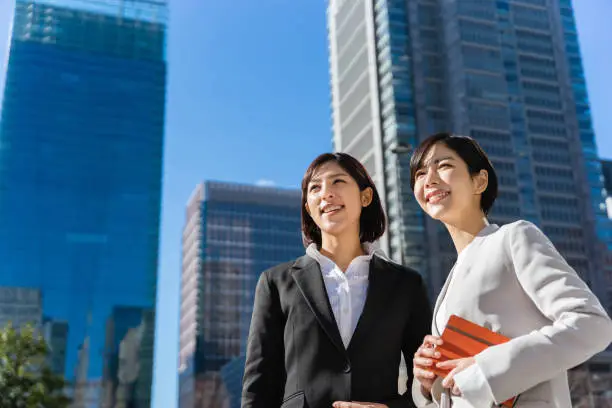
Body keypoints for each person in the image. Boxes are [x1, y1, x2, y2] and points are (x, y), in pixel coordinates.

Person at [409, 132, 612, 407]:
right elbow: (462, 386)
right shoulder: (451, 279)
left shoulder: (514, 237)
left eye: (443, 166)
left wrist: (486, 369)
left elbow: (592, 323)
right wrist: (426, 381)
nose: (429, 179)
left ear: (479, 181)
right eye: (420, 173)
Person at [242, 152, 431, 408]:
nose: (326, 193)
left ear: (365, 197)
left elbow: (427, 378)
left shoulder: (406, 284)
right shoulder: (276, 283)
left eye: (338, 182)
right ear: (309, 208)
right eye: (315, 188)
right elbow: (259, 386)